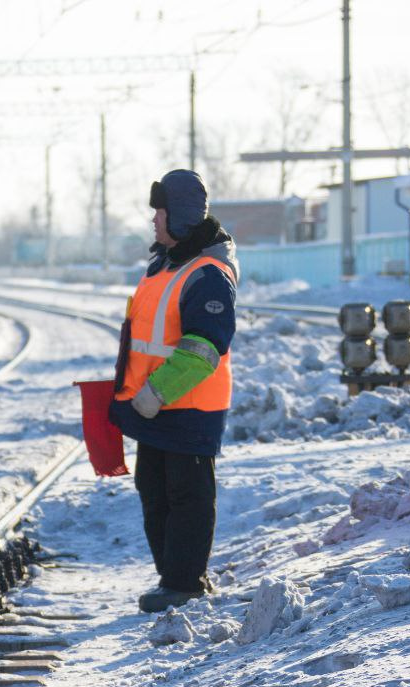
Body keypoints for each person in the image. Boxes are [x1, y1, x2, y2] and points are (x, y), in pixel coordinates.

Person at [109, 170, 237, 615]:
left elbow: (204, 348)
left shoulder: (208, 275)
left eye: (159, 212)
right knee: (155, 493)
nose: (153, 221)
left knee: (188, 497)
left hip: (187, 406)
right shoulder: (163, 266)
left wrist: (156, 392)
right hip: (154, 406)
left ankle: (185, 583)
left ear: (178, 218)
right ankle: (172, 579)